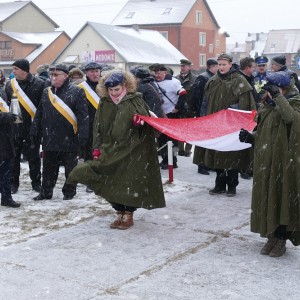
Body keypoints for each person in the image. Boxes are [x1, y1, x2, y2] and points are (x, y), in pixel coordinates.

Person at [67, 71, 166, 229]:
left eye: (117, 89)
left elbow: (149, 123)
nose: (114, 93)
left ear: (125, 86)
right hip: (109, 149)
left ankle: (128, 214)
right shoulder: (105, 102)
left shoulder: (135, 100)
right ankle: (119, 211)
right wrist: (97, 148)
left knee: (128, 182)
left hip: (133, 150)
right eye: (111, 90)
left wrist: (139, 123)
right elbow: (97, 127)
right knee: (110, 181)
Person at [239, 71, 300, 257]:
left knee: (281, 199)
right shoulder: (267, 106)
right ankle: (271, 236)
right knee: (267, 198)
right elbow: (265, 132)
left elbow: (291, 119)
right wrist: (252, 138)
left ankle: (281, 238)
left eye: (274, 88)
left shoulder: (295, 102)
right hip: (266, 162)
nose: (268, 93)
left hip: (284, 162)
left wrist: (279, 97)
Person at [30, 64, 89, 201]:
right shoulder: (47, 92)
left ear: (65, 76)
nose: (53, 77)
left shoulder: (77, 91)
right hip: (49, 136)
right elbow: (40, 113)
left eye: (56, 75)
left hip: (69, 137)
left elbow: (83, 116)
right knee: (48, 168)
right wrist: (34, 129)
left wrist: (83, 135)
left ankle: (69, 192)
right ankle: (46, 192)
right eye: (52, 75)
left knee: (70, 169)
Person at [204, 53, 256, 196]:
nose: (221, 67)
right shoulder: (213, 81)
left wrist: (235, 110)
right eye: (219, 64)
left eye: (224, 64)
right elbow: (206, 102)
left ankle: (232, 186)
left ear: (230, 65)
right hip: (216, 124)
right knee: (218, 153)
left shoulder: (239, 80)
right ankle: (219, 185)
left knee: (232, 156)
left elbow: (247, 105)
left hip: (233, 125)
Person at [5, 59, 45, 194]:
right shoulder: (10, 85)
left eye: (16, 69)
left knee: (33, 157)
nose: (13, 72)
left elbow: (41, 107)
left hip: (33, 127)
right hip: (15, 128)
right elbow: (7, 105)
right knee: (14, 158)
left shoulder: (40, 84)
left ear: (24, 70)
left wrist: (37, 126)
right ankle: (13, 184)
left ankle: (36, 183)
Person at [152, 63, 188, 169]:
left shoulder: (173, 82)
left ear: (165, 72)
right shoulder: (153, 82)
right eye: (155, 73)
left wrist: (177, 108)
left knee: (171, 140)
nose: (157, 75)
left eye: (159, 72)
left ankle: (172, 161)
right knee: (161, 139)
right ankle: (165, 159)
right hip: (160, 114)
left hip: (171, 114)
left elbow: (183, 94)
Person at [191, 58, 218, 175]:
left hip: (210, 113)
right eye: (218, 65)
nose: (220, 68)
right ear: (212, 67)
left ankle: (208, 163)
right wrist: (198, 113)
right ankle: (201, 165)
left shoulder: (213, 77)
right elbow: (196, 97)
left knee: (211, 139)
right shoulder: (203, 78)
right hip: (203, 113)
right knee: (203, 140)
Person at [0, 89, 21, 208]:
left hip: (5, 137)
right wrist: (4, 116)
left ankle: (6, 197)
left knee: (5, 171)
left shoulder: (2, 91)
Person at [175, 59, 197, 157]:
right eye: (181, 66)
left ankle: (188, 150)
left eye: (184, 66)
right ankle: (180, 149)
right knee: (179, 129)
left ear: (189, 67)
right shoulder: (175, 79)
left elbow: (197, 95)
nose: (182, 68)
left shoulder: (195, 79)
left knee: (190, 130)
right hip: (179, 107)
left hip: (191, 108)